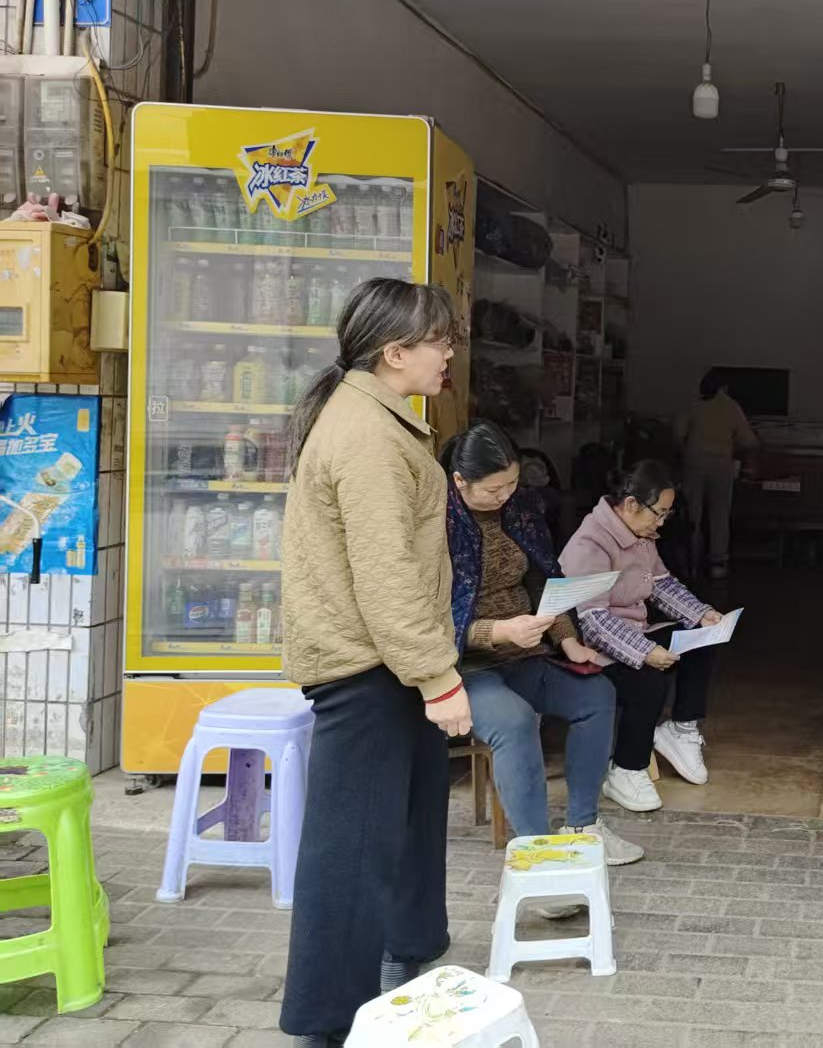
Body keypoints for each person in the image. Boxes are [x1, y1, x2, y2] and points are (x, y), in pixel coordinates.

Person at [278, 278, 472, 1048]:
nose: (449, 352)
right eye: (439, 340)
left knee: (410, 816)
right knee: (351, 846)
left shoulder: (379, 417)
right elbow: (387, 575)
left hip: (387, 661)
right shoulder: (366, 434)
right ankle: (326, 1019)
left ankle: (408, 950)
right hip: (367, 667)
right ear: (395, 352)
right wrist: (439, 677)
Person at [442, 420, 643, 872]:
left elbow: (542, 580)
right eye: (493, 489)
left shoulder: (520, 512)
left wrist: (568, 640)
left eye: (512, 484)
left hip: (524, 654)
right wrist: (498, 632)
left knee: (597, 694)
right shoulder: (434, 523)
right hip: (464, 667)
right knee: (514, 722)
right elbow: (428, 619)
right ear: (460, 481)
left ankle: (582, 827)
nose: (505, 496)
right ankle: (537, 856)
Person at [559, 459, 728, 812]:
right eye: (659, 513)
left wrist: (701, 614)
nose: (661, 522)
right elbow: (592, 620)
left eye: (666, 514)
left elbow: (660, 584)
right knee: (649, 681)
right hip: (593, 650)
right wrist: (645, 651)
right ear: (631, 504)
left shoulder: (640, 535)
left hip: (634, 634)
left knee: (704, 638)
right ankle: (626, 769)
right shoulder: (591, 543)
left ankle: (681, 729)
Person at [676, 370, 758, 579]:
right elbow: (748, 440)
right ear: (725, 387)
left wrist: (685, 451)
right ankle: (718, 563)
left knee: (692, 514)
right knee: (719, 515)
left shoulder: (694, 404)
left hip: (693, 463)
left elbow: (677, 433)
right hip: (721, 464)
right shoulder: (731, 407)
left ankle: (692, 562)